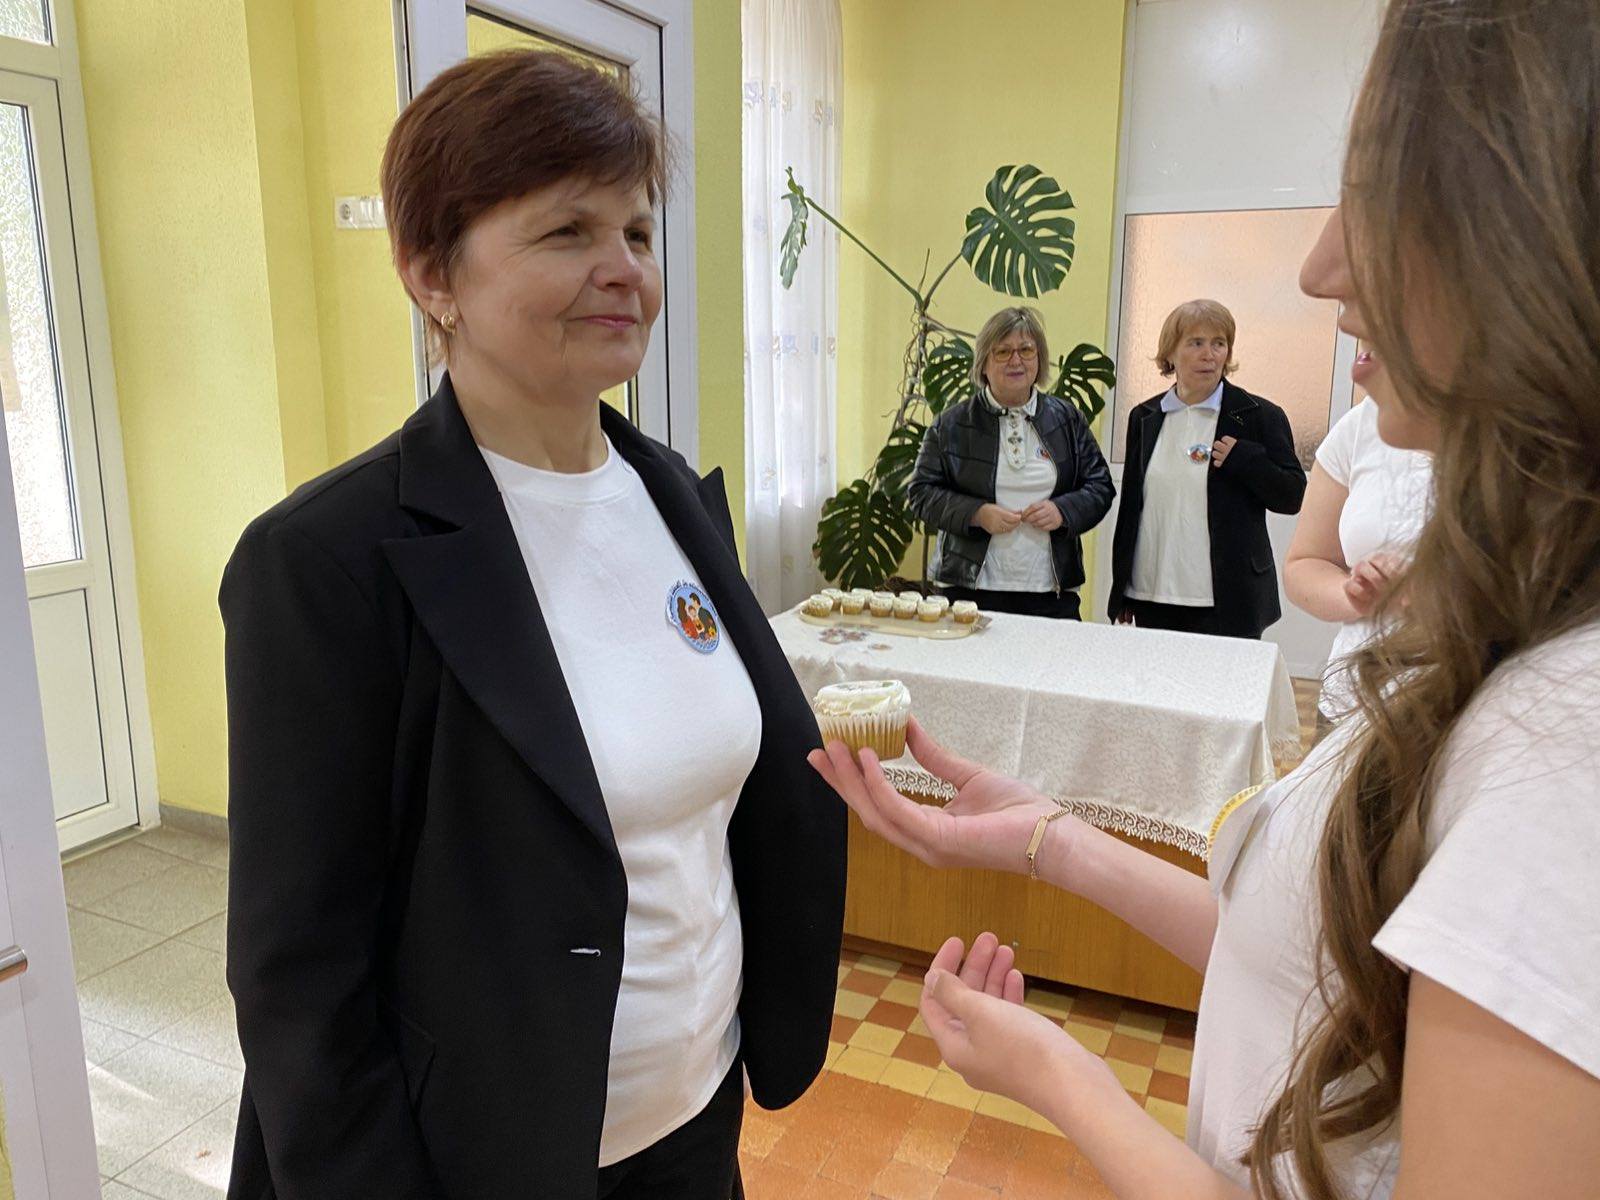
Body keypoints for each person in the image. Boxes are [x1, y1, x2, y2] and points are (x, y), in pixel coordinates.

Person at [809, 1, 1600, 1195]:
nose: (1320, 266)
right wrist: (1045, 837)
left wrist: (1061, 1077)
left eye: (1376, 191)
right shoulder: (1518, 644)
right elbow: (1319, 976)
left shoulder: (1564, 751)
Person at [220, 51, 845, 1200]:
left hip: (692, 1119)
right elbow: (298, 973)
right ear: (432, 275)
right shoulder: (327, 560)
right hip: (480, 1157)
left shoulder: (671, 496)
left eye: (638, 232)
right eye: (567, 231)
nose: (625, 270)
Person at [1106, 299, 1306, 638]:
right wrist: (1122, 586)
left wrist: (1247, 459)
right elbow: (1131, 509)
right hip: (1152, 594)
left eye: (1219, 343)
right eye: (1196, 343)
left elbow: (1292, 496)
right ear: (1170, 352)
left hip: (1227, 599)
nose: (1209, 355)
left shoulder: (1257, 415)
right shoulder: (1144, 417)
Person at [907, 307, 1114, 620]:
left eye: (1026, 350)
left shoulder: (1067, 419)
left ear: (1039, 358)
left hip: (1051, 592)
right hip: (968, 591)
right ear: (984, 363)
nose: (1016, 360)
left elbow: (1100, 486)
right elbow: (921, 493)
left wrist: (1062, 511)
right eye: (1002, 352)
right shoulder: (951, 424)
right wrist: (977, 514)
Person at [1284, 394, 1432, 736]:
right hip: (1349, 705)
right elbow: (1304, 563)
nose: (1363, 373)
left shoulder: (1528, 428)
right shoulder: (1361, 423)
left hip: (1472, 717)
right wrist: (1355, 595)